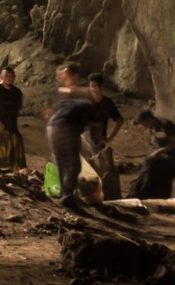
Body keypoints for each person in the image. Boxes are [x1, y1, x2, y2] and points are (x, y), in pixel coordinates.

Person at [45, 61, 102, 210]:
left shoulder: (71, 101)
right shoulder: (89, 104)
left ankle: (65, 194)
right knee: (73, 165)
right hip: (66, 128)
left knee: (61, 162)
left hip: (53, 128)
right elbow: (95, 125)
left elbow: (55, 107)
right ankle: (67, 196)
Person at [130, 109, 175, 199]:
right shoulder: (154, 127)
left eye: (145, 124)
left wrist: (158, 152)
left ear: (150, 119)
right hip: (167, 153)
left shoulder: (166, 125)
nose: (145, 127)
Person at [82, 74, 124, 199]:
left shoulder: (107, 103)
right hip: (84, 140)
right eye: (90, 86)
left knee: (98, 170)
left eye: (94, 86)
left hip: (99, 140)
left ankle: (97, 196)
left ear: (101, 87)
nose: (92, 89)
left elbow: (119, 120)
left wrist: (110, 138)